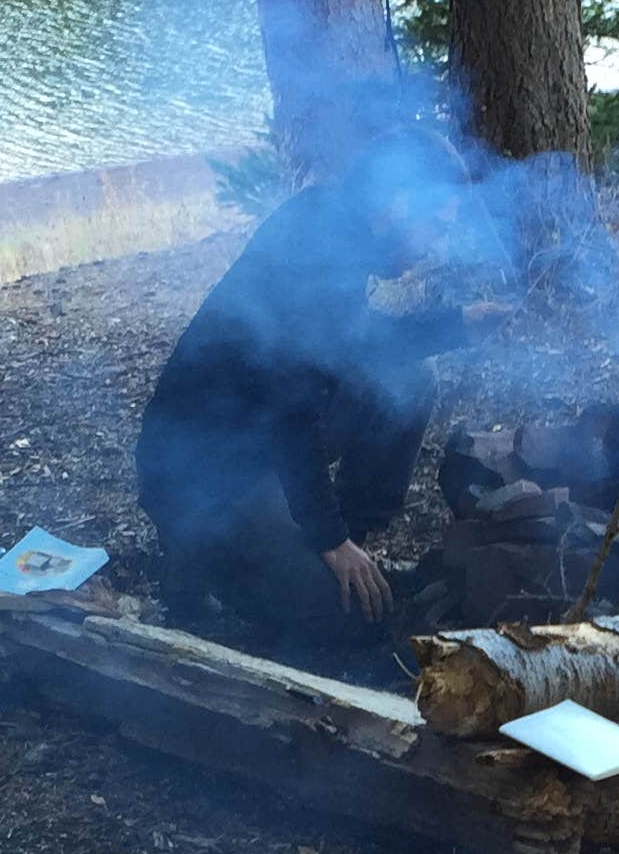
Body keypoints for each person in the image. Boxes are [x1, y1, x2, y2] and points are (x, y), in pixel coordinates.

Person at [135, 128, 510, 656]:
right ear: (400, 203)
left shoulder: (337, 227)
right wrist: (329, 539)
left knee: (407, 382)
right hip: (204, 475)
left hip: (256, 439)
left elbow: (356, 343)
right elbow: (290, 417)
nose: (437, 247)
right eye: (436, 225)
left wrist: (459, 324)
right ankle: (204, 554)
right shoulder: (315, 247)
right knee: (346, 624)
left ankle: (342, 546)